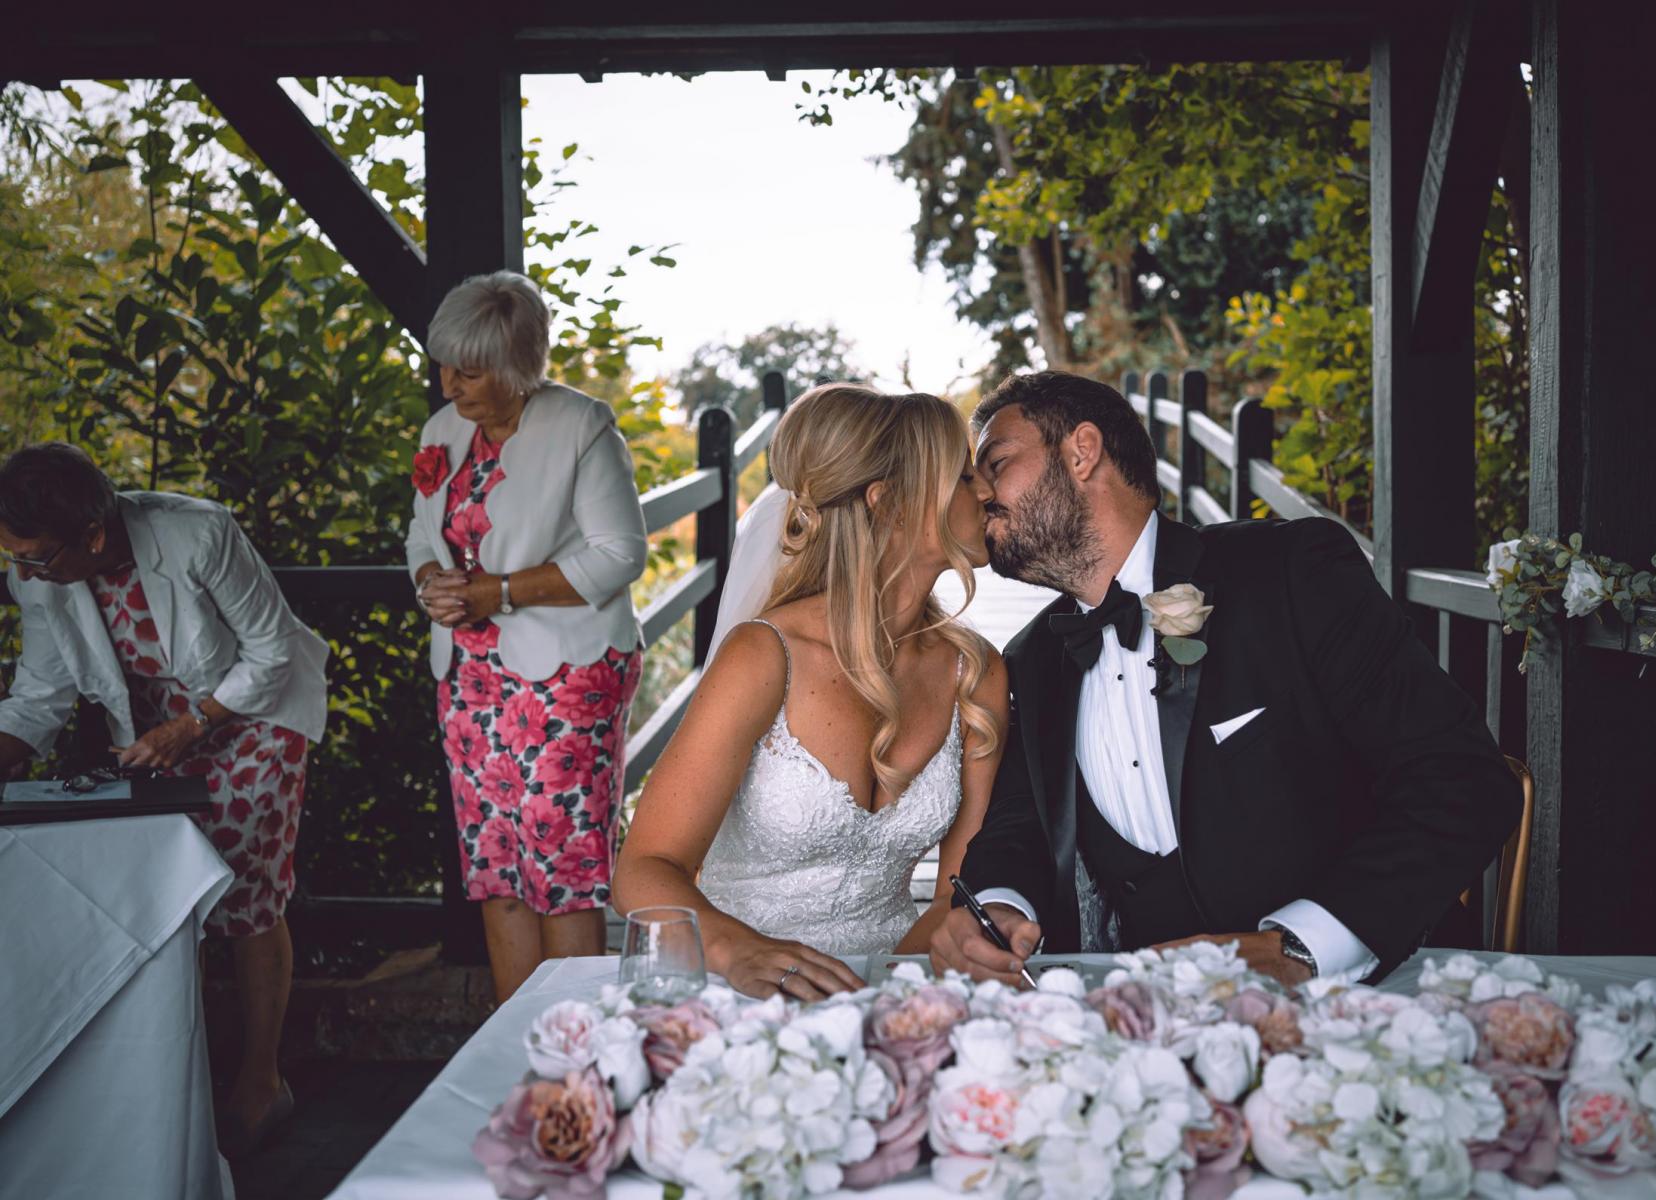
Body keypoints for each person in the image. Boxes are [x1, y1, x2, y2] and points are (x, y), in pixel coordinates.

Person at [930, 371, 1521, 987]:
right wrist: (998, 906)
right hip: (1156, 1012)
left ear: (1082, 452)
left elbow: (1461, 777)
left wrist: (1301, 947)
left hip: (1371, 994)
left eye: (996, 463)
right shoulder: (1032, 658)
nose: (979, 492)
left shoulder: (1291, 573)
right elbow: (1019, 823)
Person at [611, 384, 1009, 1000]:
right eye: (962, 476)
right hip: (738, 986)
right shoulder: (764, 656)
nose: (985, 491)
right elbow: (643, 868)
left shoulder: (976, 673)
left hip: (896, 984)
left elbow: (956, 895)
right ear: (889, 503)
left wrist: (879, 999)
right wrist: (738, 951)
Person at [0, 442, 329, 1154]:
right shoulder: (41, 575)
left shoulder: (198, 532)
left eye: (36, 559)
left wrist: (194, 725)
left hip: (254, 717)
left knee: (245, 895)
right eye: (14, 558)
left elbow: (273, 648)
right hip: (155, 734)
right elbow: (41, 694)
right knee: (172, 897)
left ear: (92, 535)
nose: (23, 574)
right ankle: (183, 1079)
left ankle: (262, 1080)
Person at [406, 271, 648, 1005]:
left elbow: (619, 554)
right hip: (468, 677)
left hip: (570, 672)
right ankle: (515, 1044)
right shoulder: (442, 432)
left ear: (516, 366)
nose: (451, 385)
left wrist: (499, 592)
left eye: (471, 371)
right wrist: (431, 581)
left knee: (562, 867)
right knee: (496, 865)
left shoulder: (580, 425)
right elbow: (420, 536)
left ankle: (576, 1042)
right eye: (445, 367)